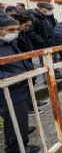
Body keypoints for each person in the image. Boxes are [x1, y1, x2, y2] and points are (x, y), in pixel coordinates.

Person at [0, 15, 41, 153]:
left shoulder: (8, 42)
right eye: (11, 29)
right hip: (11, 90)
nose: (15, 33)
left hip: (20, 87)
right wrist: (15, 77)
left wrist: (28, 69)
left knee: (20, 118)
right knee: (13, 121)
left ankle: (22, 138)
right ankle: (16, 149)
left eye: (17, 29)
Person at [11, 13, 49, 116]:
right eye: (26, 25)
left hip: (27, 61)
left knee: (30, 84)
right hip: (19, 65)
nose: (27, 28)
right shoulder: (12, 36)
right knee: (24, 86)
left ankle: (33, 103)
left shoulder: (21, 33)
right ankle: (28, 107)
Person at [25, 2, 62, 81]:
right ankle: (47, 78)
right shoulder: (33, 17)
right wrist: (42, 42)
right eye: (48, 9)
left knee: (55, 58)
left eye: (51, 9)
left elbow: (53, 26)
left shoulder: (49, 16)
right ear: (40, 8)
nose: (50, 11)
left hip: (52, 42)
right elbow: (30, 32)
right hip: (42, 44)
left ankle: (56, 73)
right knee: (45, 61)